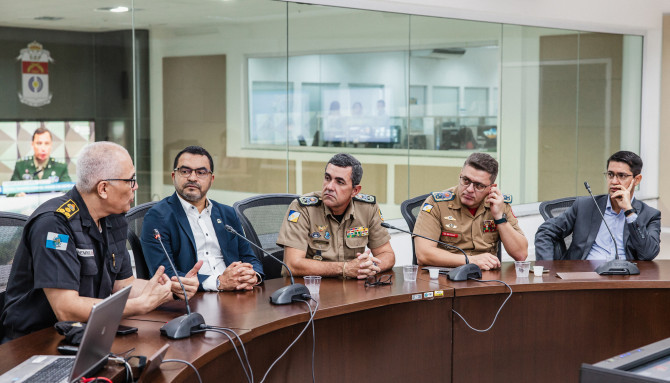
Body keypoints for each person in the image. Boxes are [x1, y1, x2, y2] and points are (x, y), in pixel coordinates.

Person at [1, 142, 193, 342]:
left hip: (86, 333)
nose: (136, 186)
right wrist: (140, 305)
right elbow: (66, 309)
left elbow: (123, 285)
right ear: (103, 188)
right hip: (34, 342)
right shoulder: (54, 224)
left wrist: (170, 290)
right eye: (131, 180)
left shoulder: (114, 218)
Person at [141, 146, 263, 292]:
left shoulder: (227, 214)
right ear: (174, 176)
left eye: (201, 172)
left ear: (211, 179)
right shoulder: (158, 217)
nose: (192, 178)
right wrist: (218, 282)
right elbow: (164, 274)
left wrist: (253, 275)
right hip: (193, 299)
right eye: (185, 171)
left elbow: (250, 258)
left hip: (236, 292)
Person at [277, 153, 395, 278]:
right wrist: (344, 268)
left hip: (353, 290)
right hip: (311, 289)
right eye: (327, 178)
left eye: (339, 182)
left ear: (355, 191)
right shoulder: (303, 208)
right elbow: (292, 264)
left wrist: (368, 268)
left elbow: (387, 254)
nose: (329, 186)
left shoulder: (367, 208)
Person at [535, 151, 660, 261]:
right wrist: (547, 269)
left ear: (637, 180)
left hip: (625, 279)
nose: (614, 181)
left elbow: (648, 254)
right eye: (610, 174)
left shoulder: (650, 215)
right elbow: (545, 231)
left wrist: (629, 212)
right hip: (584, 277)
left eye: (621, 176)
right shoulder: (585, 206)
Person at [413, 153, 528, 270]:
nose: (469, 189)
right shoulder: (436, 203)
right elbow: (423, 255)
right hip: (447, 275)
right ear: (460, 175)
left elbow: (521, 254)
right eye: (466, 180)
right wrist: (472, 261)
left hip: (488, 278)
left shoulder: (499, 204)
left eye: (479, 185)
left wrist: (500, 218)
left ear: (491, 187)